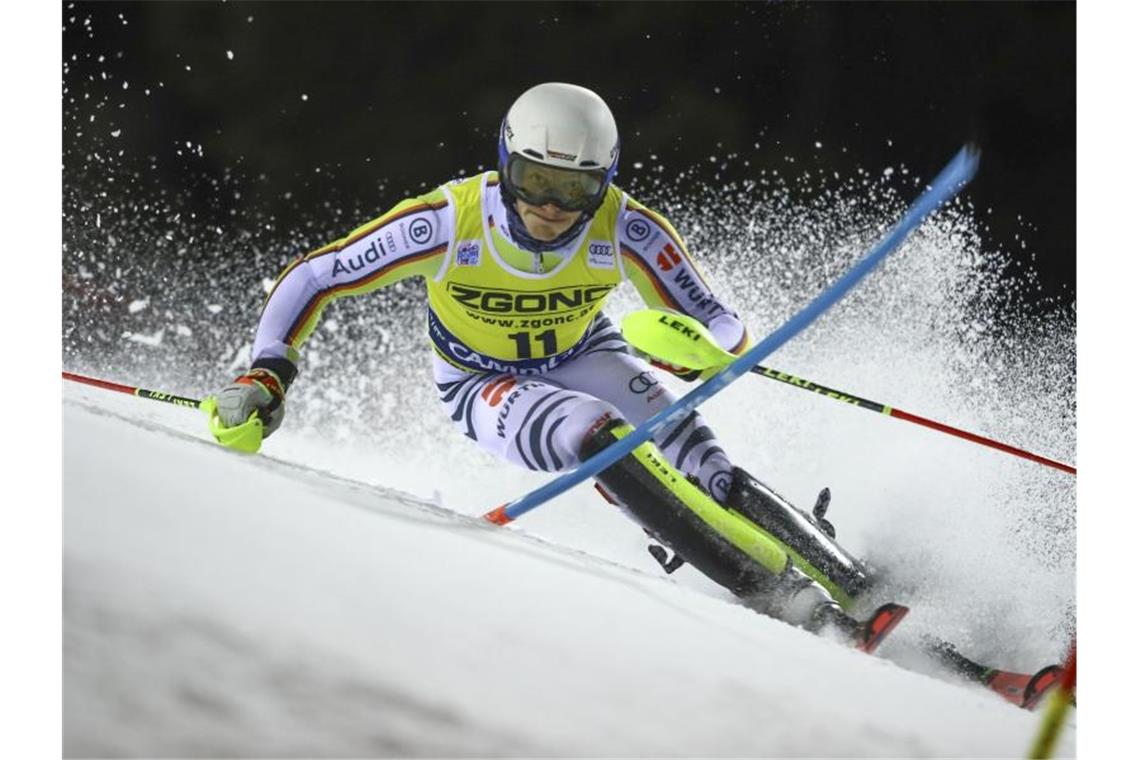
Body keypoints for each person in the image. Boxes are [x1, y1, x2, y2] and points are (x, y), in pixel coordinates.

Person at [211, 82, 885, 644]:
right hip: (482, 380)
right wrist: (268, 372)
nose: (552, 208)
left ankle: (854, 581)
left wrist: (703, 351)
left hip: (585, 352)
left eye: (576, 187)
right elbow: (316, 276)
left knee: (701, 462)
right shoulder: (448, 221)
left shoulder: (625, 225)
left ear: (606, 180)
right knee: (588, 430)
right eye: (535, 181)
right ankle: (782, 593)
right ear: (506, 162)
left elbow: (720, 321)